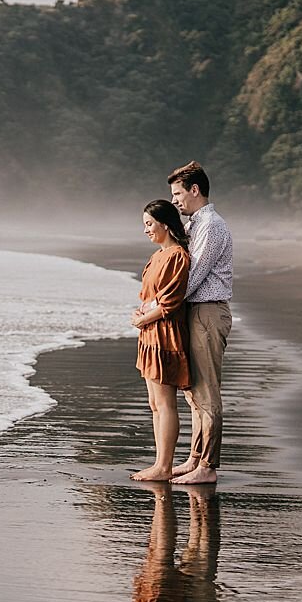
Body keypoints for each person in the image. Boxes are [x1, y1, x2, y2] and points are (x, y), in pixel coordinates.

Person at [166, 161, 233, 485]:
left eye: (179, 193)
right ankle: (195, 458)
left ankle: (208, 466)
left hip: (207, 311)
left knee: (207, 393)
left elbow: (194, 276)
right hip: (195, 311)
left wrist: (158, 307)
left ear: (195, 190)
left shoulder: (211, 225)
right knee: (193, 392)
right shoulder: (195, 224)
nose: (175, 200)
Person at [129, 200, 191, 482]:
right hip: (150, 332)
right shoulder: (157, 256)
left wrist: (145, 318)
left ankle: (164, 466)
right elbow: (150, 296)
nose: (146, 230)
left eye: (149, 224)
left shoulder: (177, 255)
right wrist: (140, 312)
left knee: (165, 403)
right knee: (154, 403)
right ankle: (159, 462)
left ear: (165, 224)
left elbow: (171, 301)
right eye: (144, 225)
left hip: (165, 332)